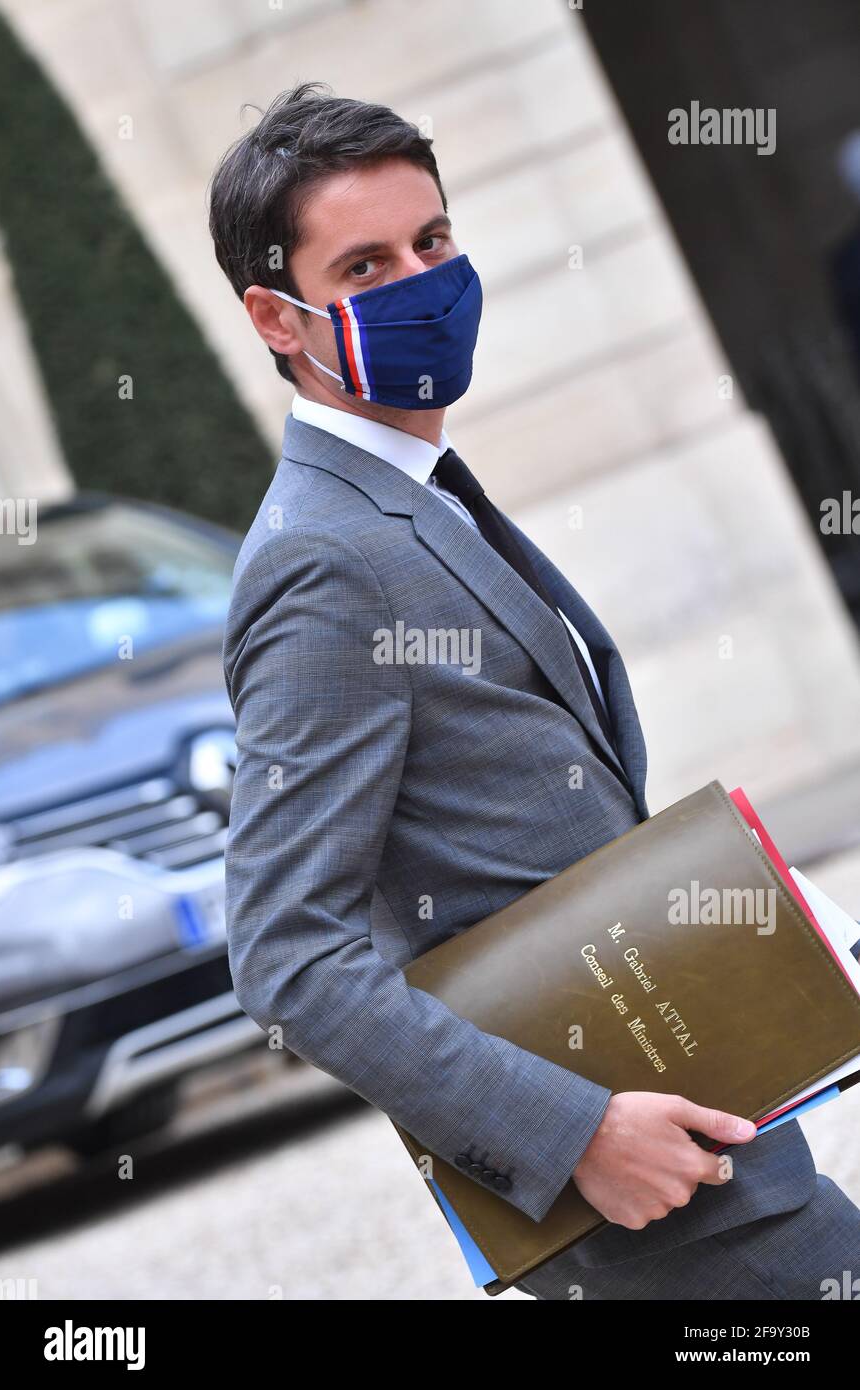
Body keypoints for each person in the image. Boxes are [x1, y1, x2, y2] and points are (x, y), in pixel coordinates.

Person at [208, 81, 860, 1300]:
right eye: (366, 266)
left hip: (709, 1166)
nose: (421, 282)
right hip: (645, 1212)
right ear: (276, 317)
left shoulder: (412, 491)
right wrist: (573, 1137)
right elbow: (286, 955)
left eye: (432, 242)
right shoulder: (323, 557)